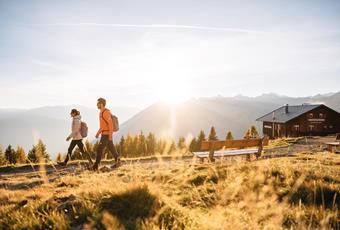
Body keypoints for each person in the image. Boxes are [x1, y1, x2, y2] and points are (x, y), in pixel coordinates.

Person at [92, 98, 120, 170]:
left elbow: (110, 125)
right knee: (111, 148)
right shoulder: (101, 112)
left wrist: (110, 136)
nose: (96, 105)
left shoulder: (106, 112)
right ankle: (118, 162)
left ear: (101, 104)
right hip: (104, 134)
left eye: (98, 103)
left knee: (99, 149)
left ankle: (95, 166)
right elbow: (102, 125)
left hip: (106, 135)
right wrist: (98, 133)